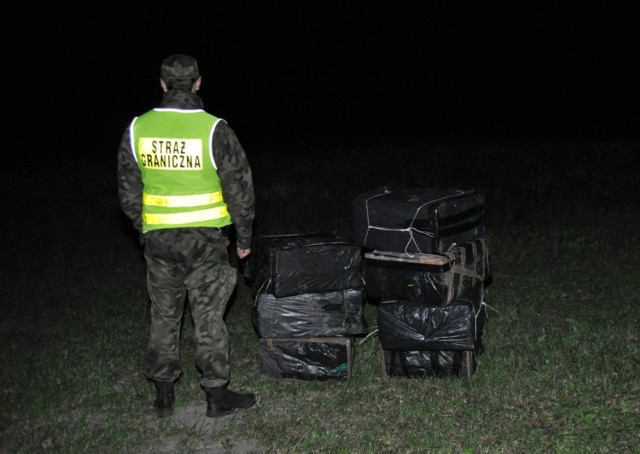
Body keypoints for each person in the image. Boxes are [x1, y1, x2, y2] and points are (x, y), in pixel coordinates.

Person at [117, 54, 256, 418]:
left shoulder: (138, 128)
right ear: (197, 83)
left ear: (162, 84)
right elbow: (240, 189)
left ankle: (164, 395)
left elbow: (127, 191)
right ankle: (216, 395)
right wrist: (244, 238)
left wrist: (144, 227)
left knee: (164, 316)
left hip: (160, 242)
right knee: (208, 316)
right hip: (206, 241)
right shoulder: (215, 129)